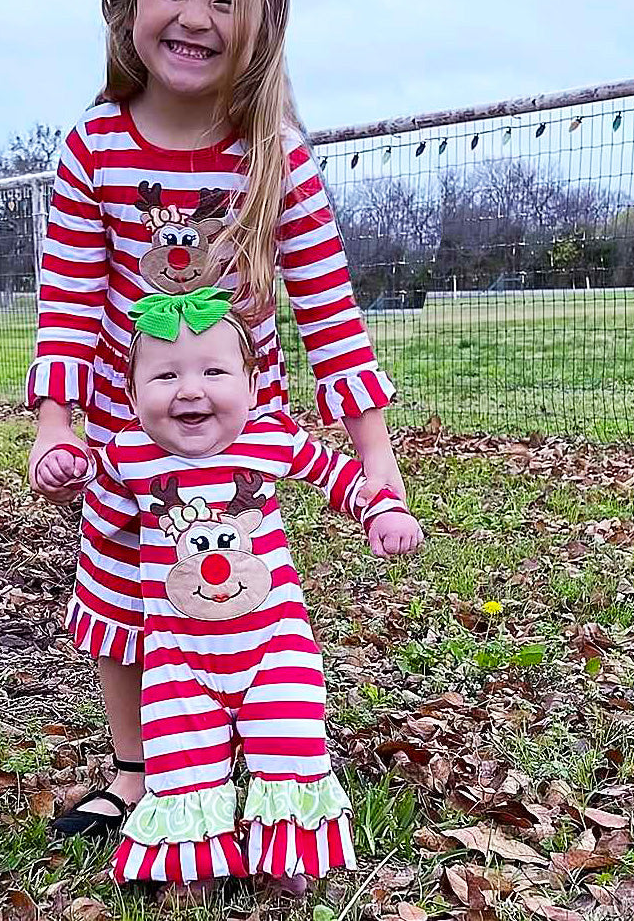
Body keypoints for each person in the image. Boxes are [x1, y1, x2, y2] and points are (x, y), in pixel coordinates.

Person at [27, 0, 408, 839]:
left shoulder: (275, 155)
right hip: (127, 433)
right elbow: (70, 301)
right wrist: (56, 426)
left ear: (259, 27)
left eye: (225, 1)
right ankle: (138, 769)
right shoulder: (92, 149)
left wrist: (379, 471)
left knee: (230, 592)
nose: (194, 18)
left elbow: (331, 315)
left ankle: (246, 754)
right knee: (117, 600)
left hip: (242, 434)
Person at [67, 288, 423, 889]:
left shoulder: (270, 437)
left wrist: (381, 509)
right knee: (183, 759)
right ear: (130, 397)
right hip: (176, 657)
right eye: (164, 376)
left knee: (290, 744)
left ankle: (287, 858)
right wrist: (74, 474)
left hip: (275, 645)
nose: (189, 389)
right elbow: (103, 533)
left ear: (253, 387)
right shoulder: (127, 455)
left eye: (213, 370)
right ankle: (193, 857)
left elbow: (338, 475)